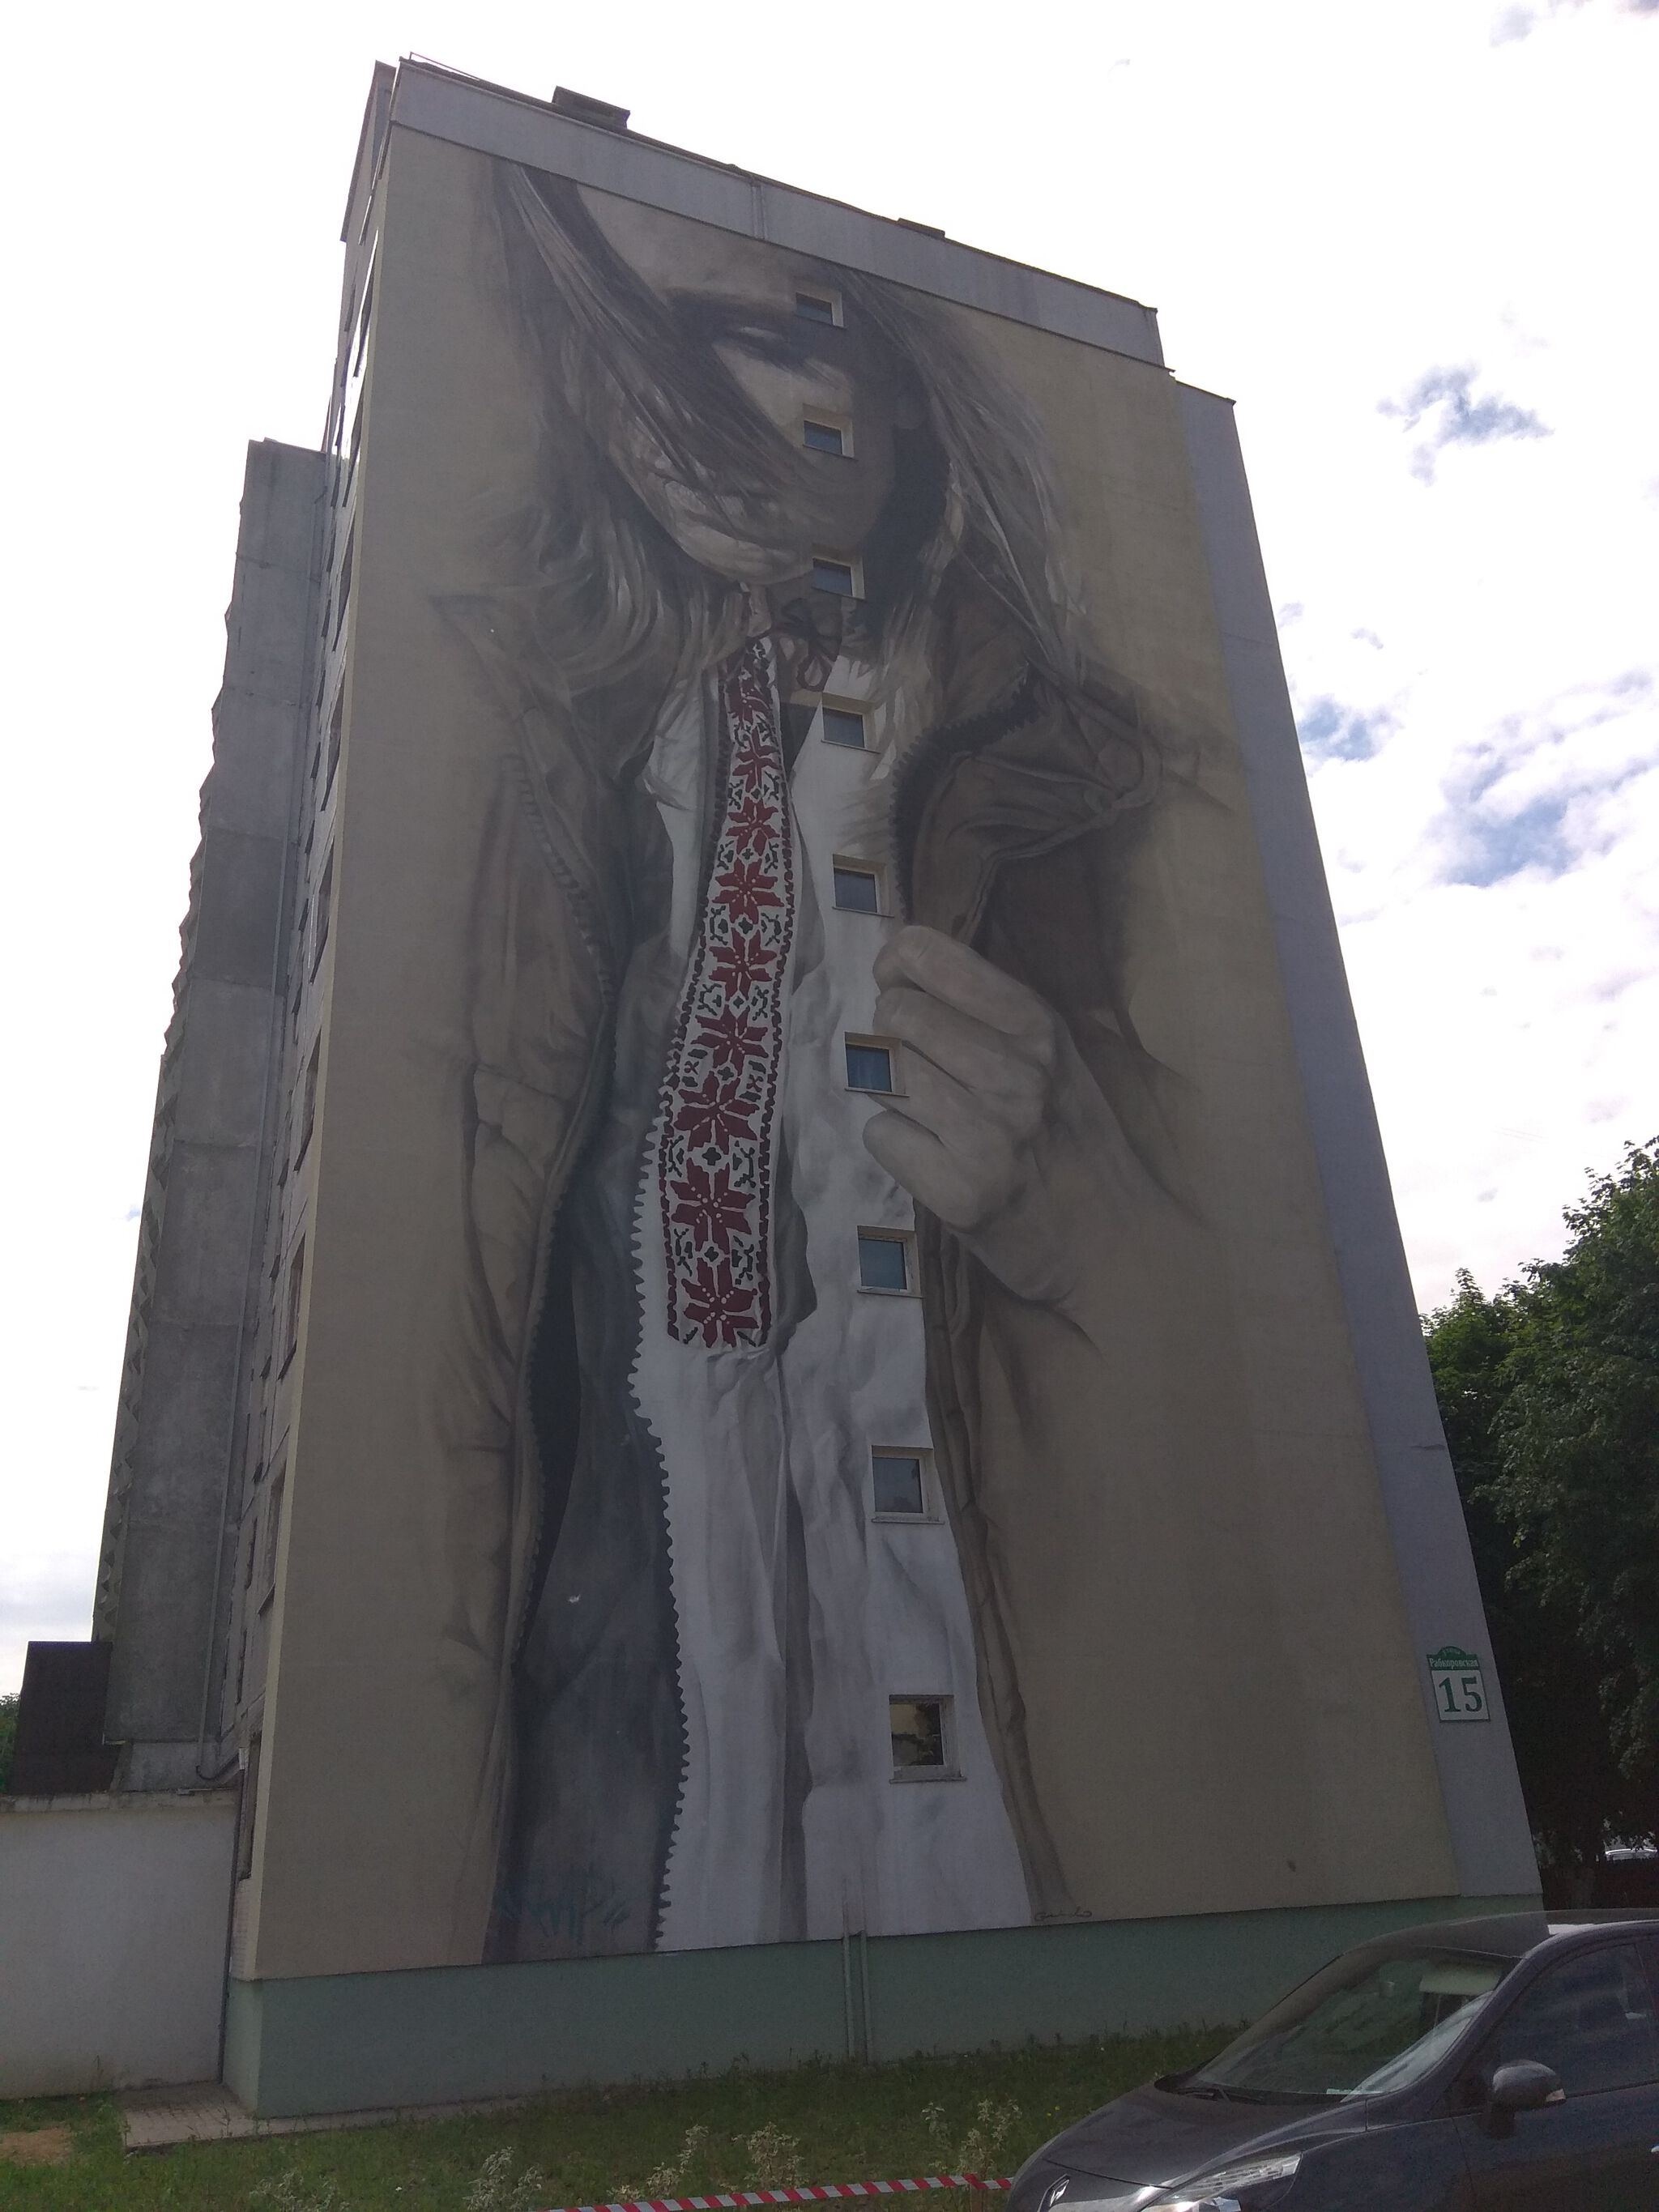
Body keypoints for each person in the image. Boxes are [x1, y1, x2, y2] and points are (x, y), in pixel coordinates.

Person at [435, 163, 1200, 1962]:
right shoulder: (577, 769)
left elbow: (1259, 1390)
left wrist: (1089, 1227)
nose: (670, 421)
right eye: (622, 346)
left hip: (996, 1772)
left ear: (911, 378)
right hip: (629, 1746)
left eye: (740, 336)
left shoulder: (1082, 778)